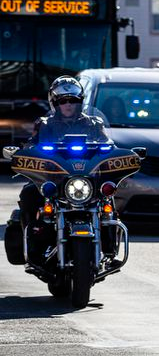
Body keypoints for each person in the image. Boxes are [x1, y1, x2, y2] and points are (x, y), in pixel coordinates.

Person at [19, 76, 109, 263]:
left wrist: (114, 152)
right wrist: (24, 153)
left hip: (87, 178)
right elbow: (30, 146)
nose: (68, 105)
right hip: (52, 178)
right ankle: (31, 241)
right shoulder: (44, 124)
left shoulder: (94, 124)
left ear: (80, 102)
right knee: (29, 193)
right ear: (55, 103)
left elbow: (107, 144)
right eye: (63, 101)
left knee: (108, 195)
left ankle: (109, 244)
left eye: (73, 100)